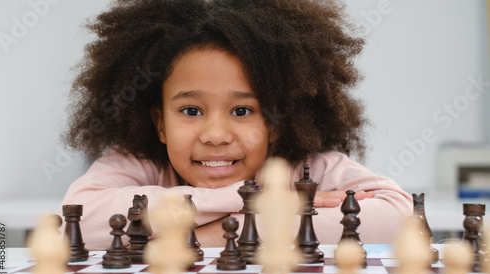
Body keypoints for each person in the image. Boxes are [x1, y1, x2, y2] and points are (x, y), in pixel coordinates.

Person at [59, 0, 411, 250]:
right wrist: (256, 202)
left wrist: (203, 238)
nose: (215, 136)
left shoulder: (307, 167)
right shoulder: (141, 163)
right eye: (191, 111)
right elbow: (78, 220)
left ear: (275, 123)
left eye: (242, 111)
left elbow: (397, 218)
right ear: (160, 123)